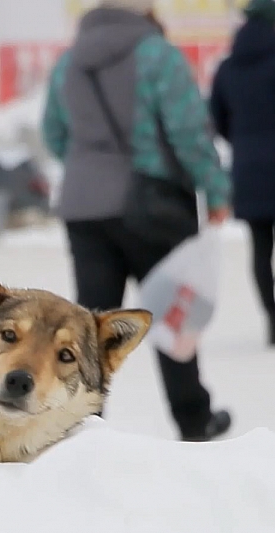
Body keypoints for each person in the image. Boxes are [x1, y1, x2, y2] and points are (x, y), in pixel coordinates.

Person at [41, 0, 232, 442]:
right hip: (153, 207)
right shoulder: (158, 55)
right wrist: (216, 190)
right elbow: (188, 131)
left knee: (91, 325)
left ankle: (83, 426)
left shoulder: (69, 62)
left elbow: (54, 133)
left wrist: (92, 165)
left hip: (85, 208)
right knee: (170, 313)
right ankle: (193, 420)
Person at [209, 0, 275, 346]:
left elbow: (217, 119)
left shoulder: (229, 68)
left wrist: (246, 142)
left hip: (249, 171)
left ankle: (273, 319)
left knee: (261, 249)